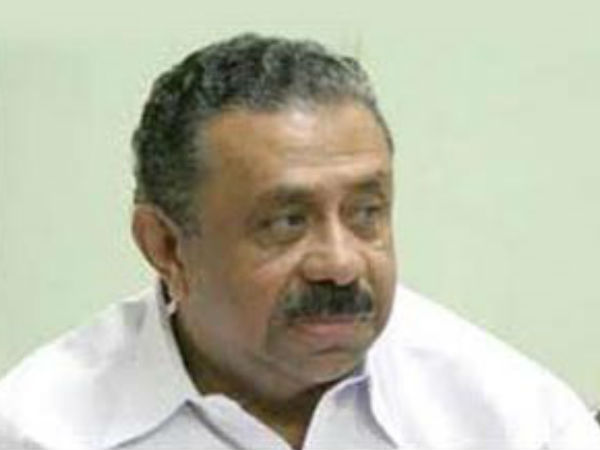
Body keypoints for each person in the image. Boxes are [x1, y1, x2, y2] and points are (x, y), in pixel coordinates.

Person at [0, 33, 599, 450]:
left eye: (366, 213)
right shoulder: (40, 431)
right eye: (286, 222)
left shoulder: (513, 420)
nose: (340, 263)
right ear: (166, 248)